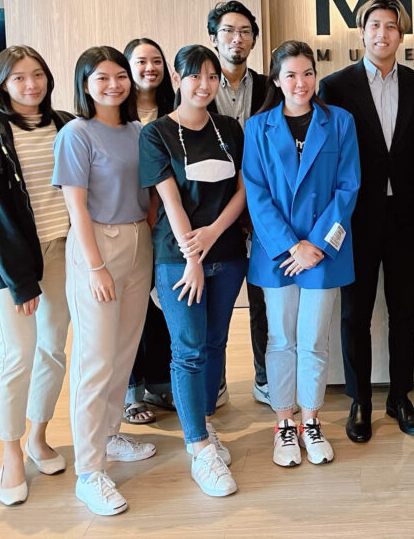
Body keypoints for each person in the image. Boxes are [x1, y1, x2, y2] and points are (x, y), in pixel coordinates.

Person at [319, 0, 414, 443]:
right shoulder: (335, 86)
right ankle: (360, 400)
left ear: (401, 36)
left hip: (405, 216)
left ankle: (400, 396)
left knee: (405, 311)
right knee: (356, 313)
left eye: (391, 26)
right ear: (362, 32)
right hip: (355, 219)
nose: (382, 34)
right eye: (374, 26)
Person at [242, 40, 360, 467]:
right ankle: (284, 424)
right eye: (290, 74)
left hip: (323, 252)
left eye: (307, 73)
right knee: (280, 339)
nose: (300, 82)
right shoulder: (258, 127)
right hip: (277, 251)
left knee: (313, 339)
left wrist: (317, 246)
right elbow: (256, 193)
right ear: (277, 79)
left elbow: (348, 188)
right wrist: (292, 245)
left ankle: (311, 420)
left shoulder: (340, 121)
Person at [139, 44, 247, 498]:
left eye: (211, 77)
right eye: (195, 76)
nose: (204, 85)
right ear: (177, 79)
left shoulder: (230, 128)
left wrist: (215, 233)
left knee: (215, 343)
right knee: (187, 350)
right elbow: (170, 201)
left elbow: (243, 190)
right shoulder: (157, 133)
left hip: (229, 253)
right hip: (178, 257)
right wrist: (192, 258)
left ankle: (203, 423)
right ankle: (199, 448)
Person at [0, 46, 73, 506]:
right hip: (13, 261)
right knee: (18, 353)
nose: (31, 85)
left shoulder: (64, 124)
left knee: (53, 349)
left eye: (38, 75)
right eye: (19, 78)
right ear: (2, 85)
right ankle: (10, 453)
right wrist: (20, 280)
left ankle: (38, 436)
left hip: (63, 251)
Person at [53, 46, 155, 516]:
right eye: (102, 77)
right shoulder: (76, 134)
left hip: (138, 242)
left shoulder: (138, 131)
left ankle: (110, 435)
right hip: (97, 244)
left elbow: (150, 191)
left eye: (120, 76)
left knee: (123, 352)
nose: (113, 85)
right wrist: (95, 267)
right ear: (85, 84)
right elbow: (75, 206)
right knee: (94, 360)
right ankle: (89, 471)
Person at [206, 0, 271, 408]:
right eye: (228, 31)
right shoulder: (199, 86)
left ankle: (265, 378)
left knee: (263, 297)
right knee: (218, 301)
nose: (237, 38)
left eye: (245, 31)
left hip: (263, 207)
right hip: (215, 209)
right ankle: (216, 381)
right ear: (214, 38)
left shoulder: (269, 87)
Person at [122, 37, 176, 425]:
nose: (149, 68)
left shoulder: (175, 111)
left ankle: (158, 383)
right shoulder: (116, 115)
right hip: (128, 221)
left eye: (156, 61)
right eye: (141, 61)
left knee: (162, 307)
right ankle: (131, 390)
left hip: (167, 223)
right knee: (131, 310)